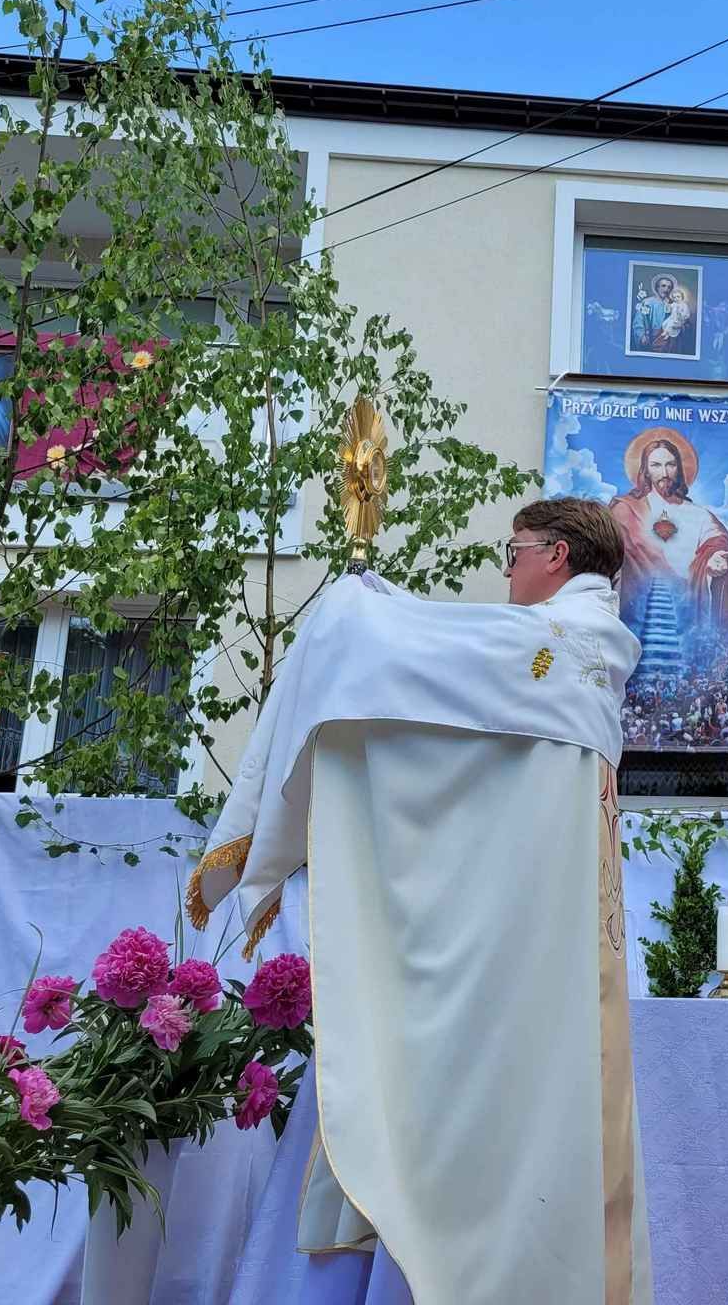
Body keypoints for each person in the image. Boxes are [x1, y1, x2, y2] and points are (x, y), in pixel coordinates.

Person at [191, 497, 652, 1305]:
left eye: (514, 552)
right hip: (541, 936)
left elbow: (425, 650)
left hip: (527, 944)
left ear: (558, 553)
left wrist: (354, 605)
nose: (507, 571)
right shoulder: (578, 646)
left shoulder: (569, 640)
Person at [607, 428, 728, 635]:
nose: (664, 473)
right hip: (634, 611)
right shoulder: (626, 510)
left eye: (670, 465)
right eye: (656, 465)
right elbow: (606, 549)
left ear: (679, 469)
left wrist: (713, 557)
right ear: (646, 471)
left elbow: (717, 539)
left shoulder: (698, 515)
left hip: (685, 611)